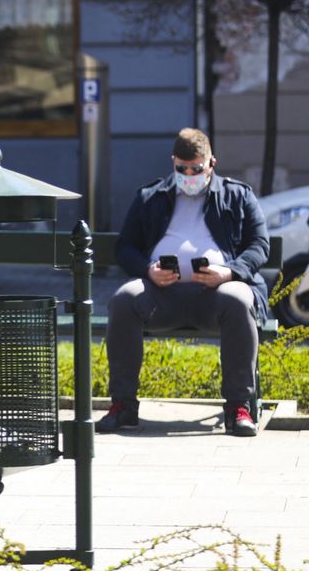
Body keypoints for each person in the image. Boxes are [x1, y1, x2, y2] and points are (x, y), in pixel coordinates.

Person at [97, 127, 270, 437]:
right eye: (182, 168)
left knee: (239, 299)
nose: (189, 174)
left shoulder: (237, 195)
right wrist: (148, 271)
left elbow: (259, 245)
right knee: (124, 299)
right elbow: (125, 247)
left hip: (215, 296)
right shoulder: (151, 196)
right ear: (173, 162)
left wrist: (228, 272)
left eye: (196, 169)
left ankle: (238, 407)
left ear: (211, 163)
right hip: (162, 297)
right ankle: (123, 406)